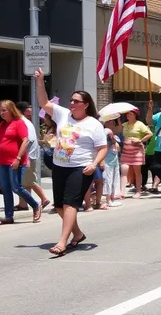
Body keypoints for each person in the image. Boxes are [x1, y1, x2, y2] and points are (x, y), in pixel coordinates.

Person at [35, 68, 107, 255]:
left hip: (81, 168)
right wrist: (40, 81)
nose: (72, 103)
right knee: (59, 205)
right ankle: (77, 234)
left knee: (70, 204)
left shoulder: (94, 124)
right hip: (60, 167)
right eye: (71, 100)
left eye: (76, 101)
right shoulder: (62, 114)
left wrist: (94, 163)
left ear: (85, 104)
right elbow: (43, 102)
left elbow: (102, 148)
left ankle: (62, 242)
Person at [0, 100, 43, 225]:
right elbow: (1, 141)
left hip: (15, 161)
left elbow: (25, 141)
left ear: (11, 110)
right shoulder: (2, 125)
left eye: (4, 110)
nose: (1, 113)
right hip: (2, 161)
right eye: (0, 110)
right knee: (6, 189)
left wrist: (19, 158)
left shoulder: (19, 123)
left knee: (17, 187)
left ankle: (35, 205)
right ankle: (8, 216)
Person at [14, 102, 50, 211]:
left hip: (28, 156)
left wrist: (24, 157)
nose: (30, 115)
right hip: (30, 155)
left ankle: (44, 198)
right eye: (28, 113)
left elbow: (27, 141)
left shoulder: (23, 122)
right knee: (25, 182)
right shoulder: (26, 122)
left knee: (29, 181)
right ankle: (23, 204)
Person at [120, 110, 153, 198]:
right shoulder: (124, 125)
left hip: (137, 150)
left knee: (137, 171)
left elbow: (150, 134)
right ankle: (122, 192)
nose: (128, 115)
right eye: (127, 114)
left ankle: (138, 191)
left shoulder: (139, 124)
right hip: (126, 150)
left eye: (130, 114)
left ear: (135, 115)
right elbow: (119, 132)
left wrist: (140, 140)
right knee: (124, 169)